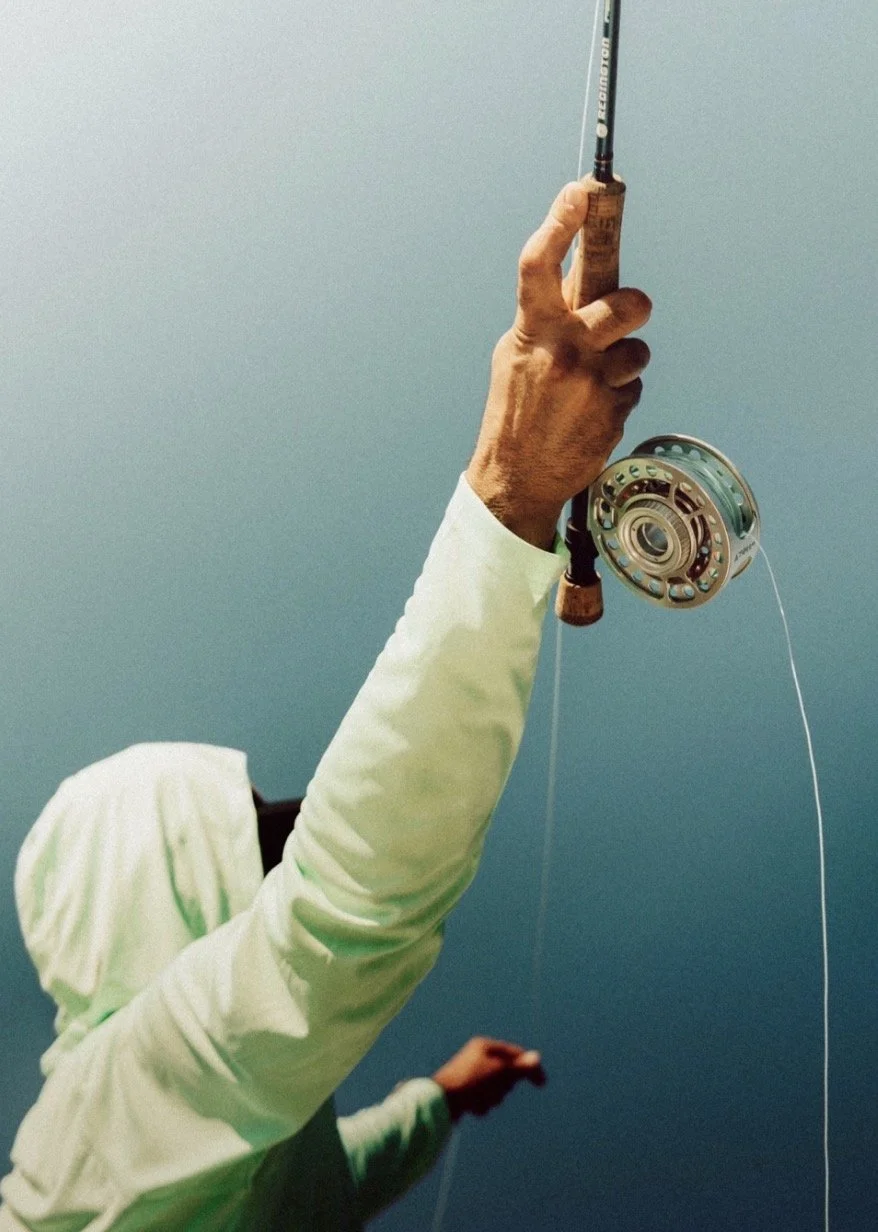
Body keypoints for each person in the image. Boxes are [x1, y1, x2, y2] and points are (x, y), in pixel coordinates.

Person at [1, 181, 651, 1230]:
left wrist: (437, 1098)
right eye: (252, 827)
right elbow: (340, 916)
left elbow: (330, 1180)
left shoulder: (208, 1143)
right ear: (148, 882)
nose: (286, 831)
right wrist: (510, 493)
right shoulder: (115, 1101)